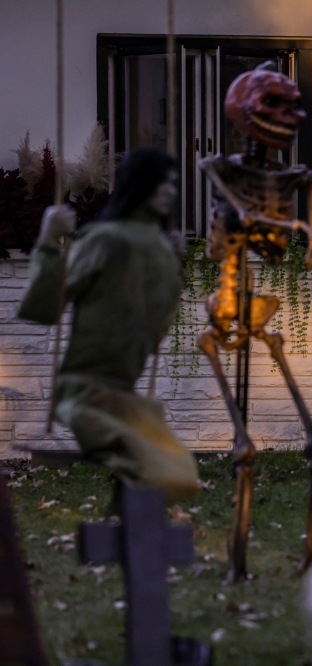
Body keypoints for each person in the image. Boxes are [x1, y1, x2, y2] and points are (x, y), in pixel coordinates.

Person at [19, 148, 199, 502]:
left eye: (173, 184)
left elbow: (157, 328)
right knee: (159, 471)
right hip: (86, 393)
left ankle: (131, 537)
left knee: (180, 476)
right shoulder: (106, 239)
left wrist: (170, 267)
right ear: (138, 184)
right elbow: (44, 306)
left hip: (124, 396)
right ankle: (129, 539)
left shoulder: (159, 250)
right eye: (159, 183)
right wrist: (48, 241)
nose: (169, 192)